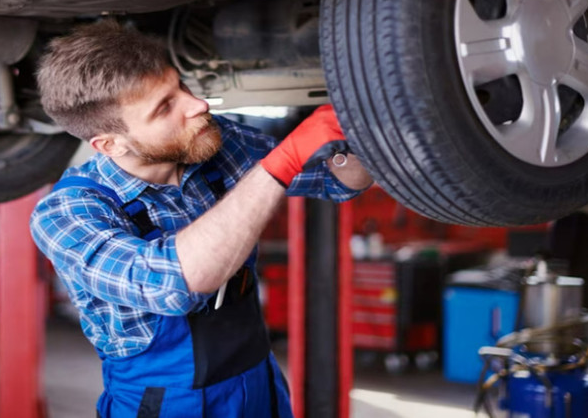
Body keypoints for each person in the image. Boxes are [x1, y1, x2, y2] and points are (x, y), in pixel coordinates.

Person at [30, 21, 373, 418]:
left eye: (182, 87)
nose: (199, 106)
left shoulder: (208, 141)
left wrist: (357, 137)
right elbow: (174, 283)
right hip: (166, 403)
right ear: (110, 144)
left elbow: (336, 181)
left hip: (257, 381)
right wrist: (280, 163)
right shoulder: (67, 214)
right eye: (164, 107)